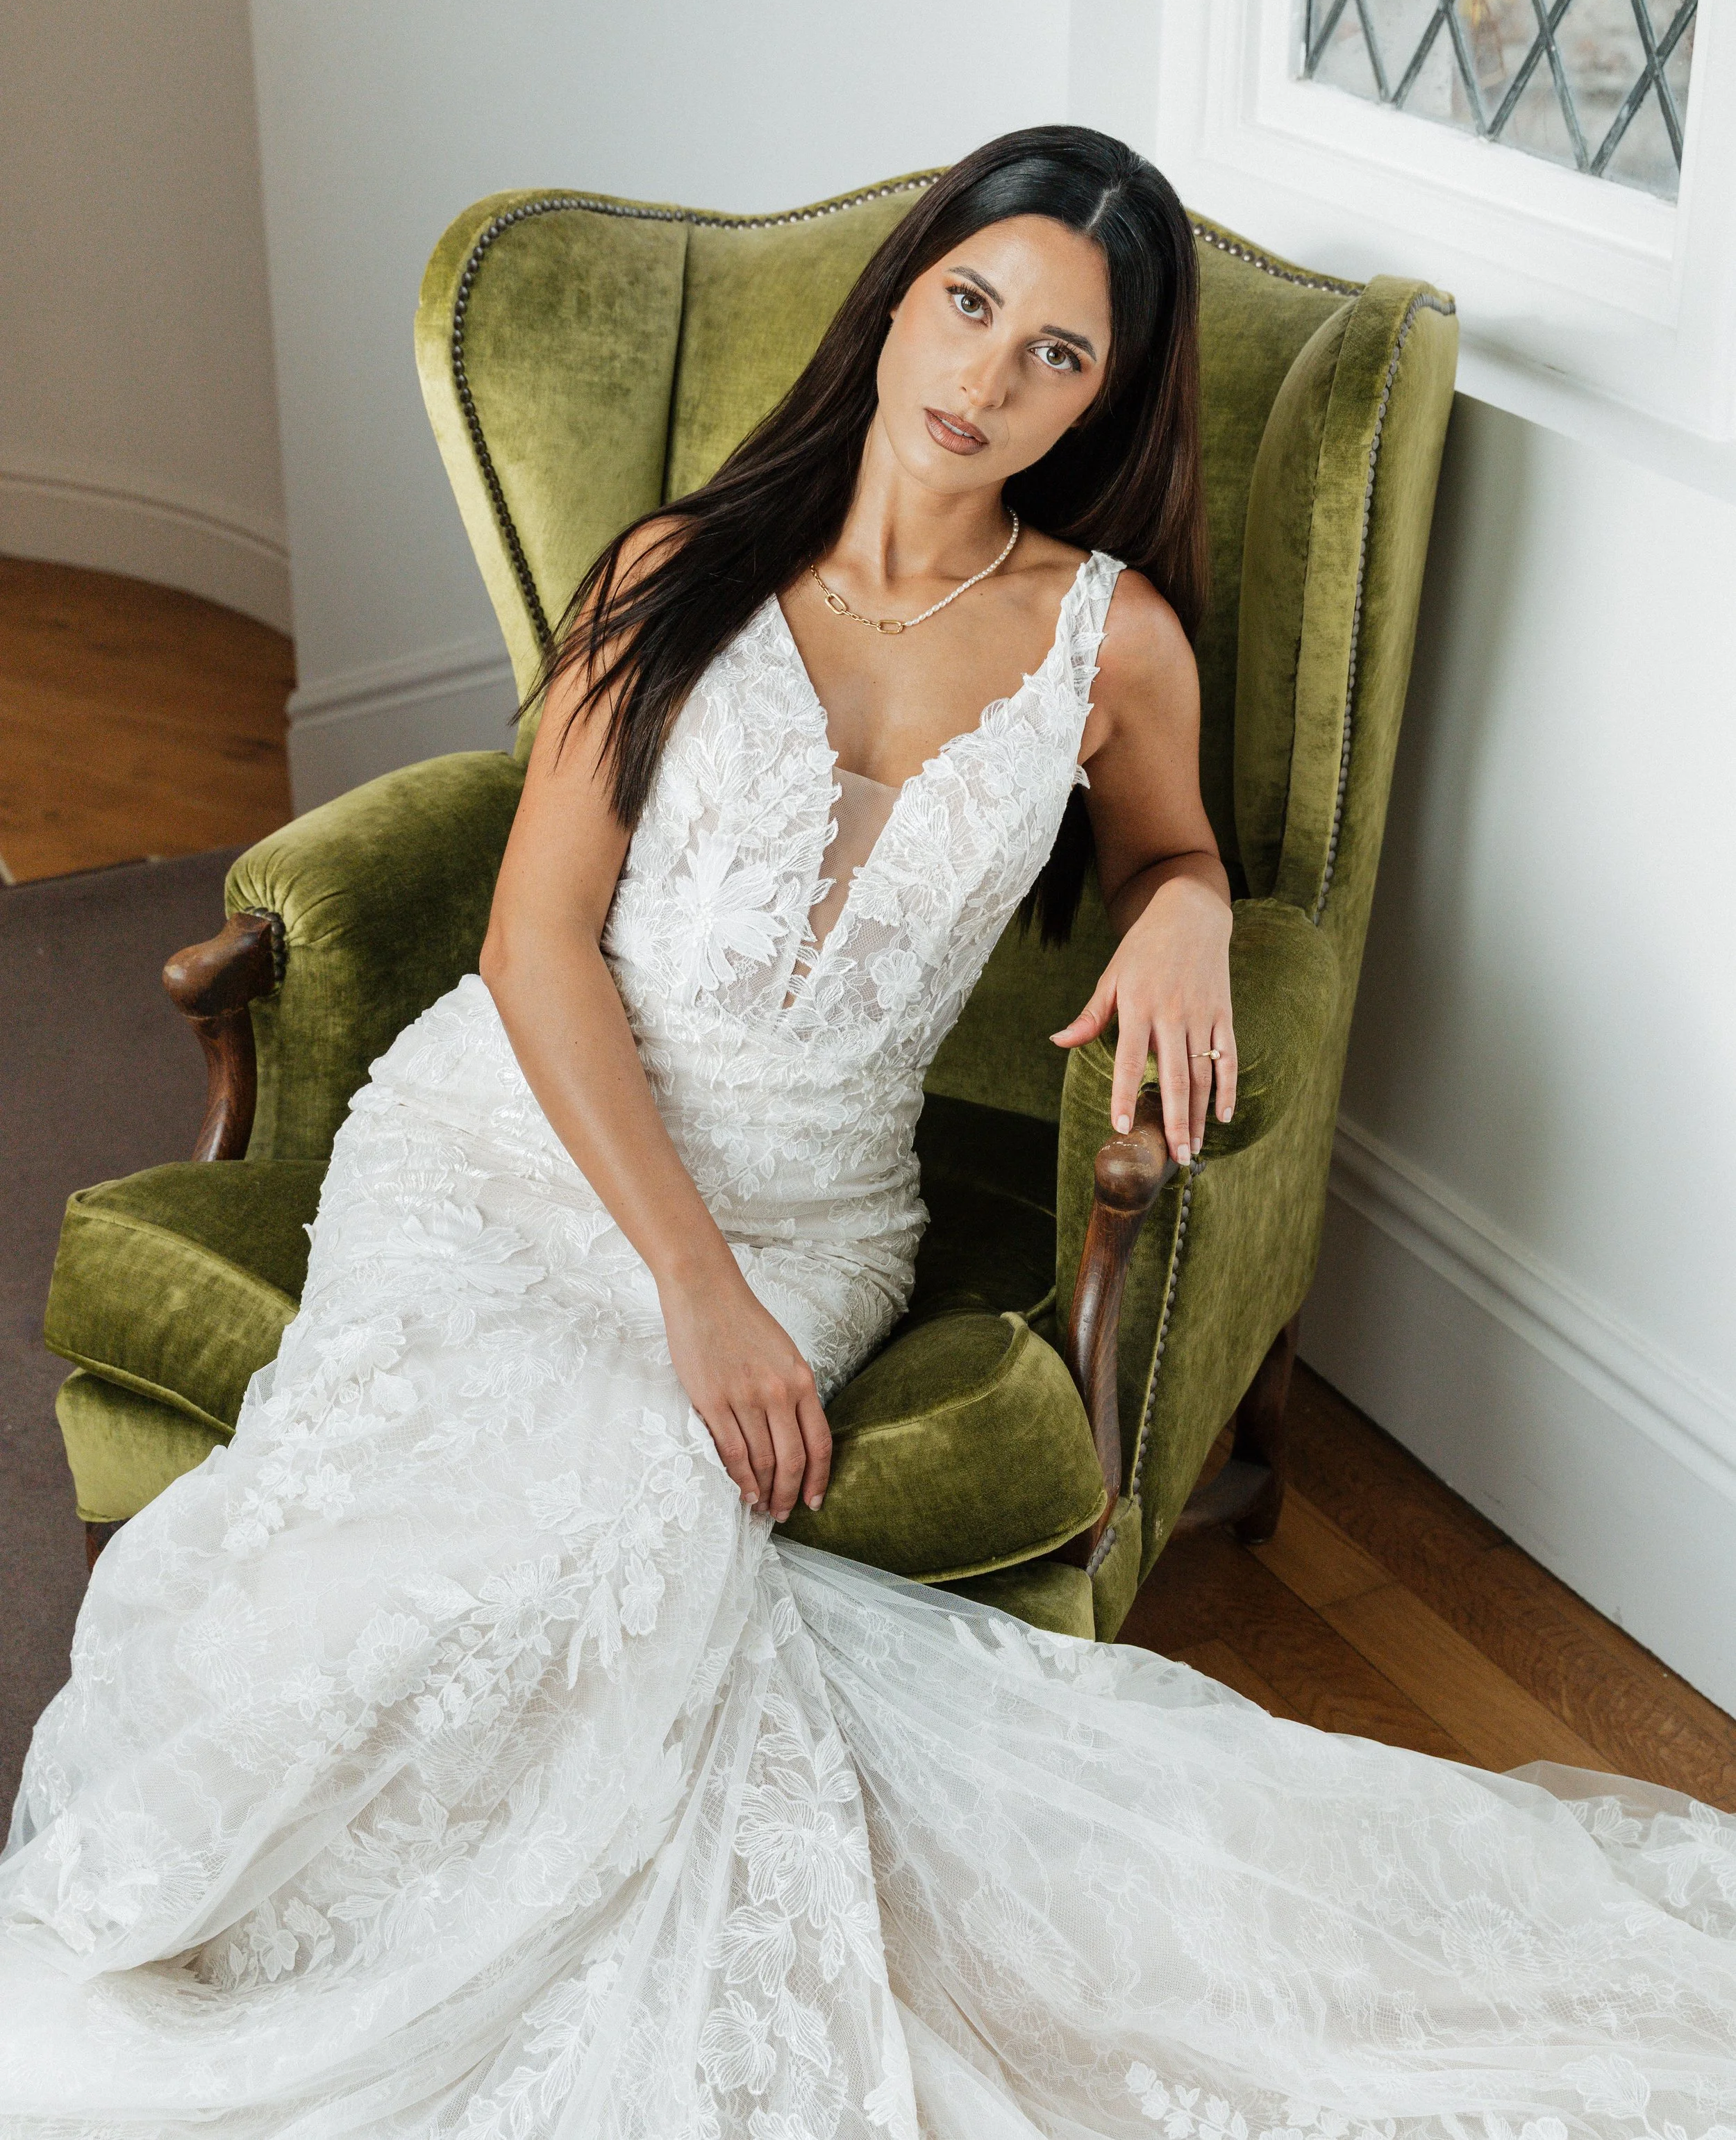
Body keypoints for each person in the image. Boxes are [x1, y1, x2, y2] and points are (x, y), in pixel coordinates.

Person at [1, 125, 1730, 2139]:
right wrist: (690, 1290)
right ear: (904, 291)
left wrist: (1180, 907)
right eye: (972, 304)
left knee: (613, 1532)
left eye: (1056, 359)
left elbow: (1178, 841)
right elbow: (535, 940)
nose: (986, 381)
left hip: (818, 1203)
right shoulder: (678, 569)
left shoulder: (1111, 639)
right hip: (515, 1140)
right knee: (412, 1532)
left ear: (1107, 400)